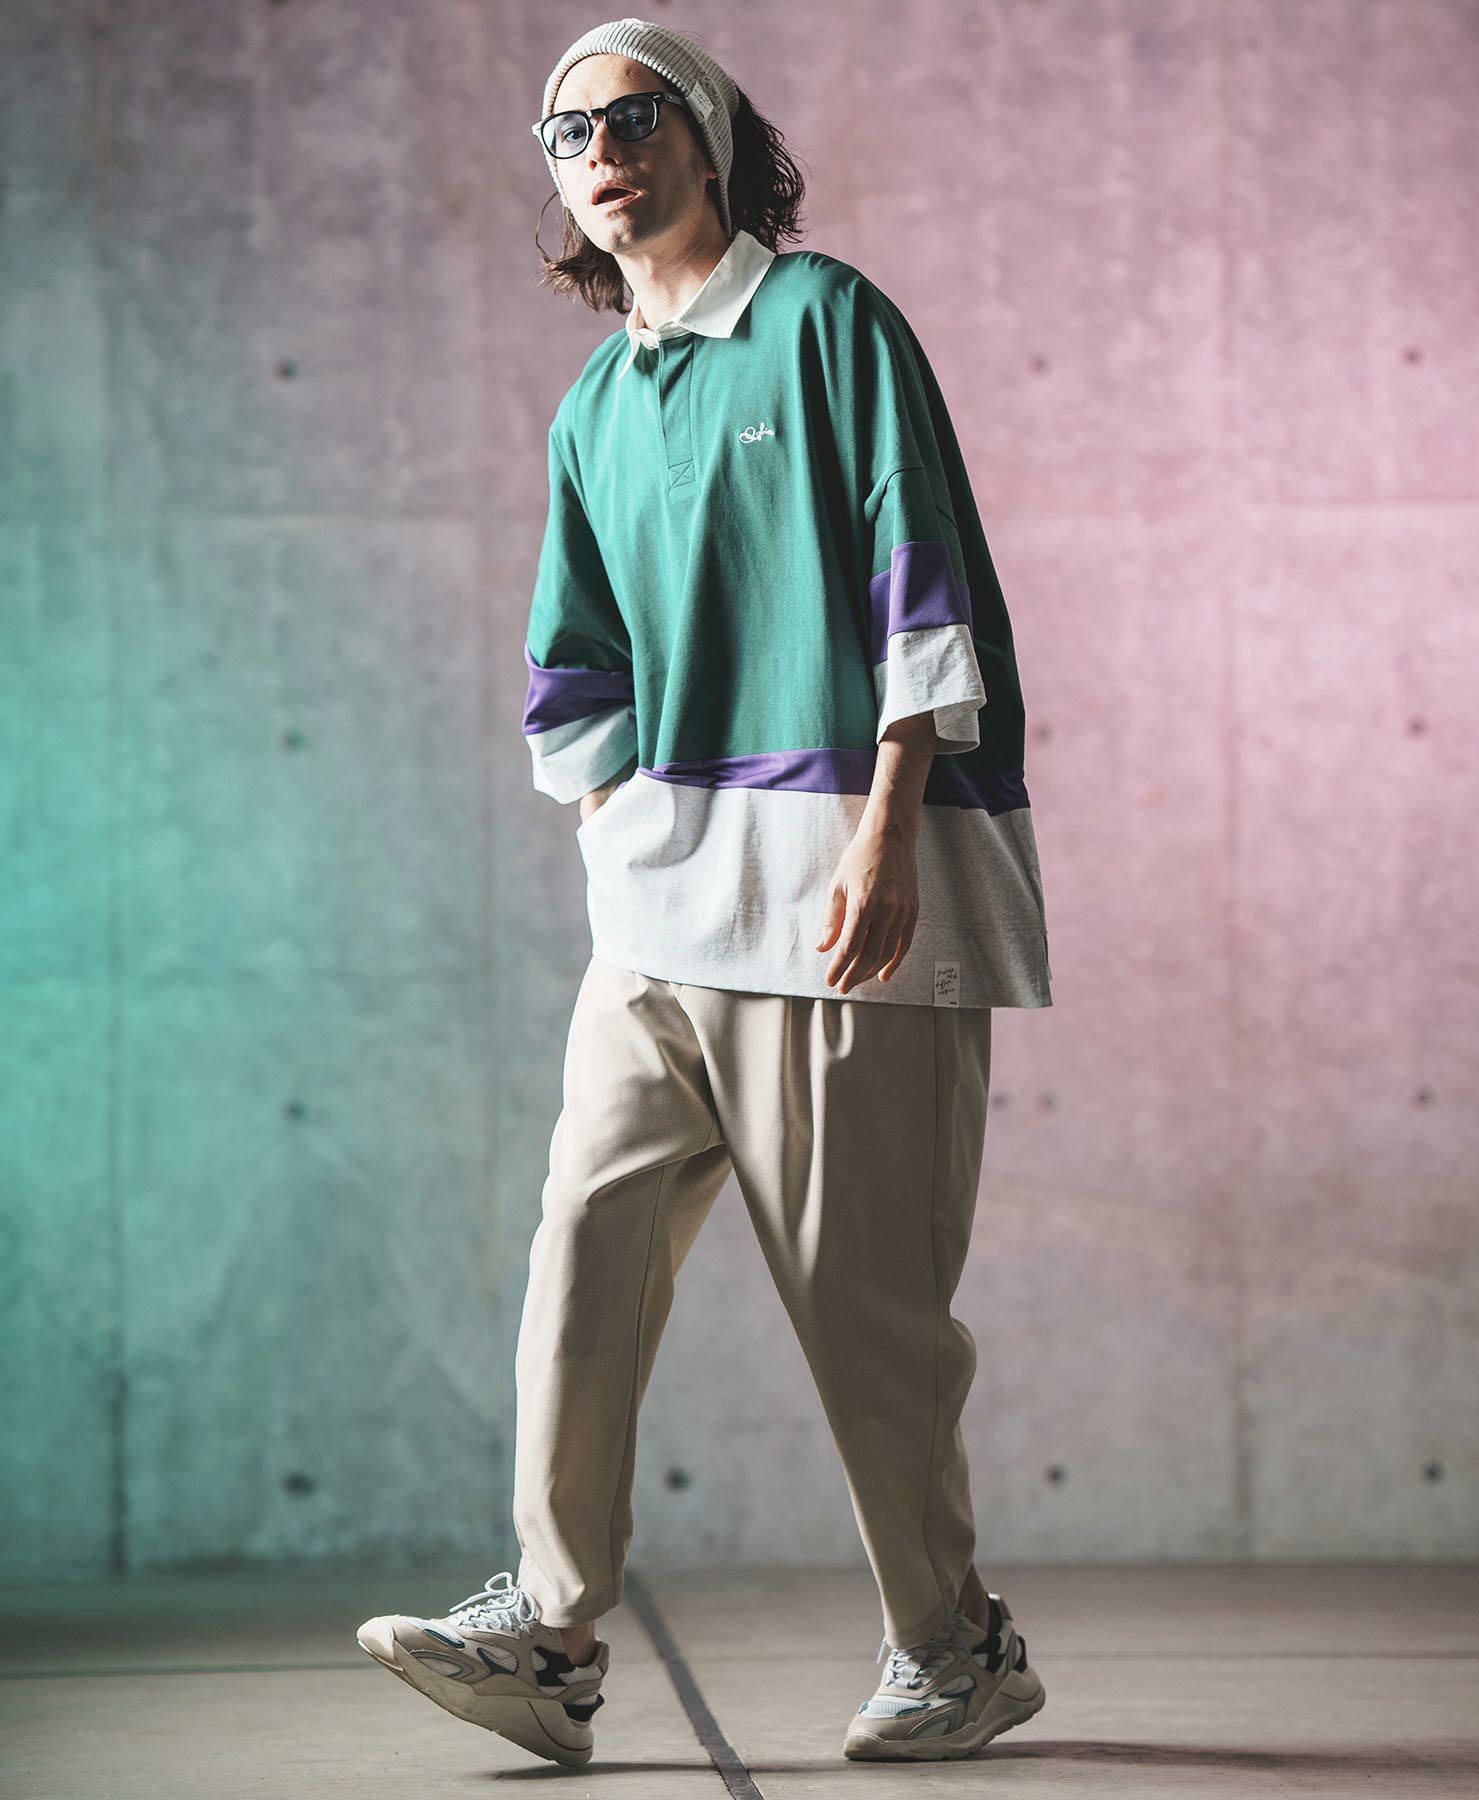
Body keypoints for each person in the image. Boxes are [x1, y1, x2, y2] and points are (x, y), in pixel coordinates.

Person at [358, 14, 1050, 1767]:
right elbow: (573, 668)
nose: (600, 151)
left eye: (635, 117)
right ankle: (549, 1634)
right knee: (584, 1246)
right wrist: (619, 834)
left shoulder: (828, 321)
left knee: (861, 1301)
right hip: (661, 913)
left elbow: (919, 573)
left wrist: (888, 829)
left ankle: (955, 1646)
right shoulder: (595, 404)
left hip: (843, 894)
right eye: (567, 131)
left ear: (712, 138)